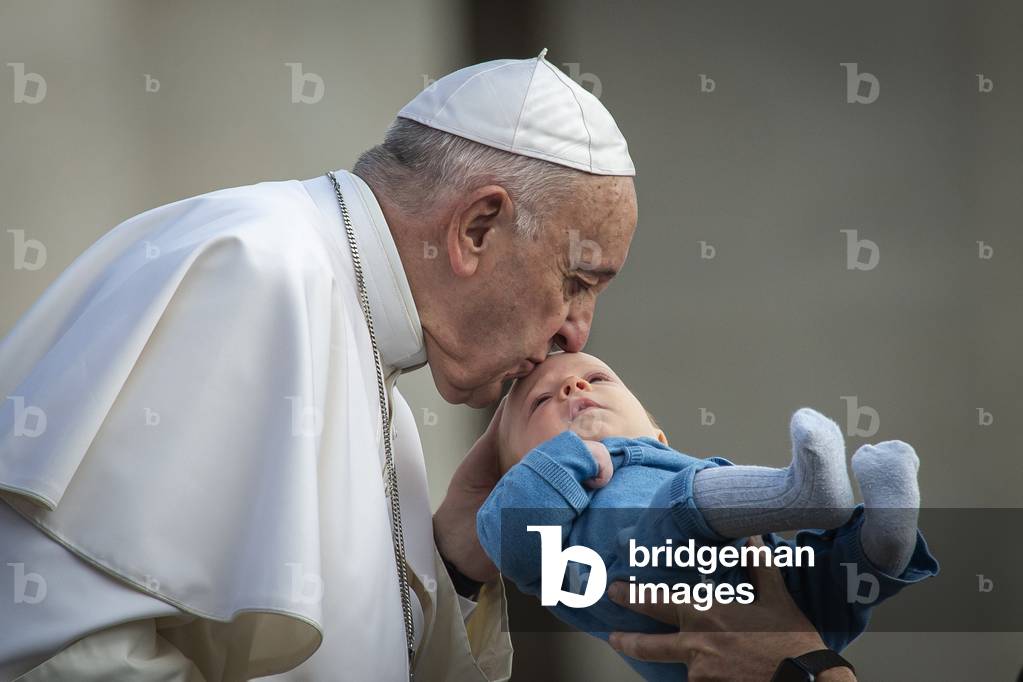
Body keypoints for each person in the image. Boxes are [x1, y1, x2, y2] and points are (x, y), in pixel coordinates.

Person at [0, 50, 638, 680]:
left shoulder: (365, 340)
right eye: (577, 282)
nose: (575, 335)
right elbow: (61, 646)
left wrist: (456, 563)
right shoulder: (254, 267)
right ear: (476, 227)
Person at [475, 351, 938, 680]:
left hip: (770, 589)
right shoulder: (548, 509)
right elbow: (514, 541)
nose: (574, 387)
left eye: (596, 379)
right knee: (678, 506)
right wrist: (561, 460)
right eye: (540, 402)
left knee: (826, 574)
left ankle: (886, 536)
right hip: (638, 570)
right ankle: (798, 491)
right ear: (514, 471)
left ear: (658, 434)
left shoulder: (672, 462)